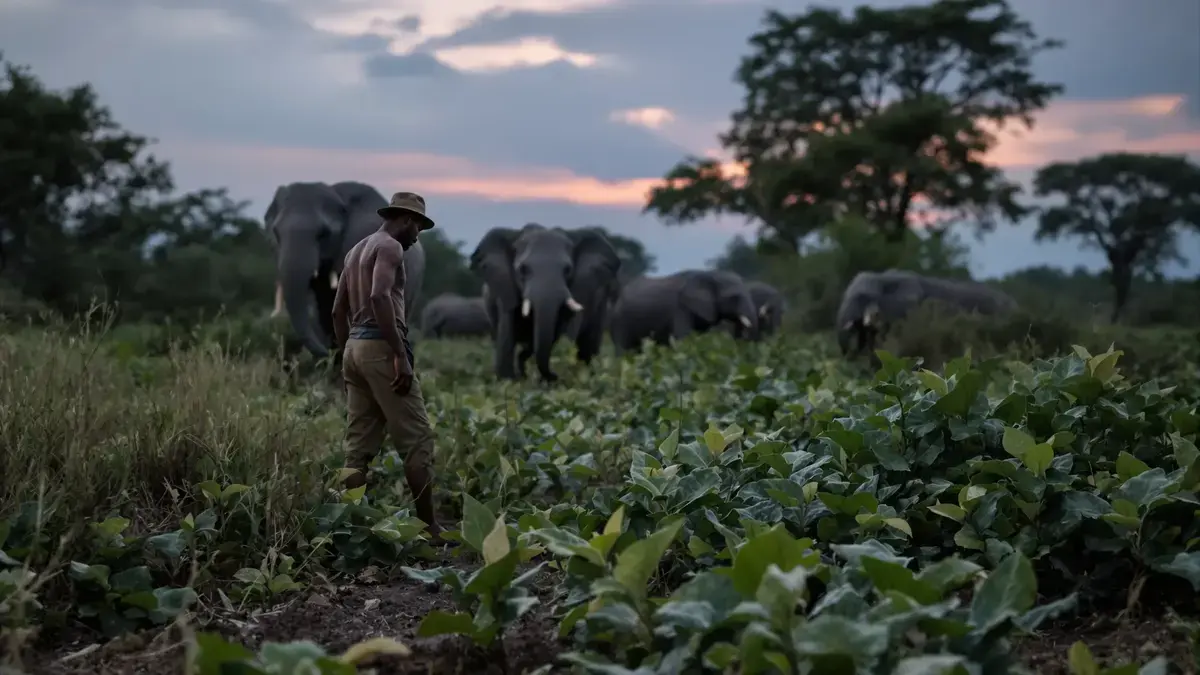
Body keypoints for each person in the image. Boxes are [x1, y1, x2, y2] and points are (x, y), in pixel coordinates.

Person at [331, 191, 442, 537]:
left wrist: (346, 350)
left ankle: (347, 523)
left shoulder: (354, 252)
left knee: (357, 447)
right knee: (417, 440)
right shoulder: (391, 247)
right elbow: (380, 296)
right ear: (406, 220)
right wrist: (398, 354)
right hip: (381, 347)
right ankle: (429, 527)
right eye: (418, 228)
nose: (417, 237)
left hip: (355, 347)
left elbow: (337, 311)